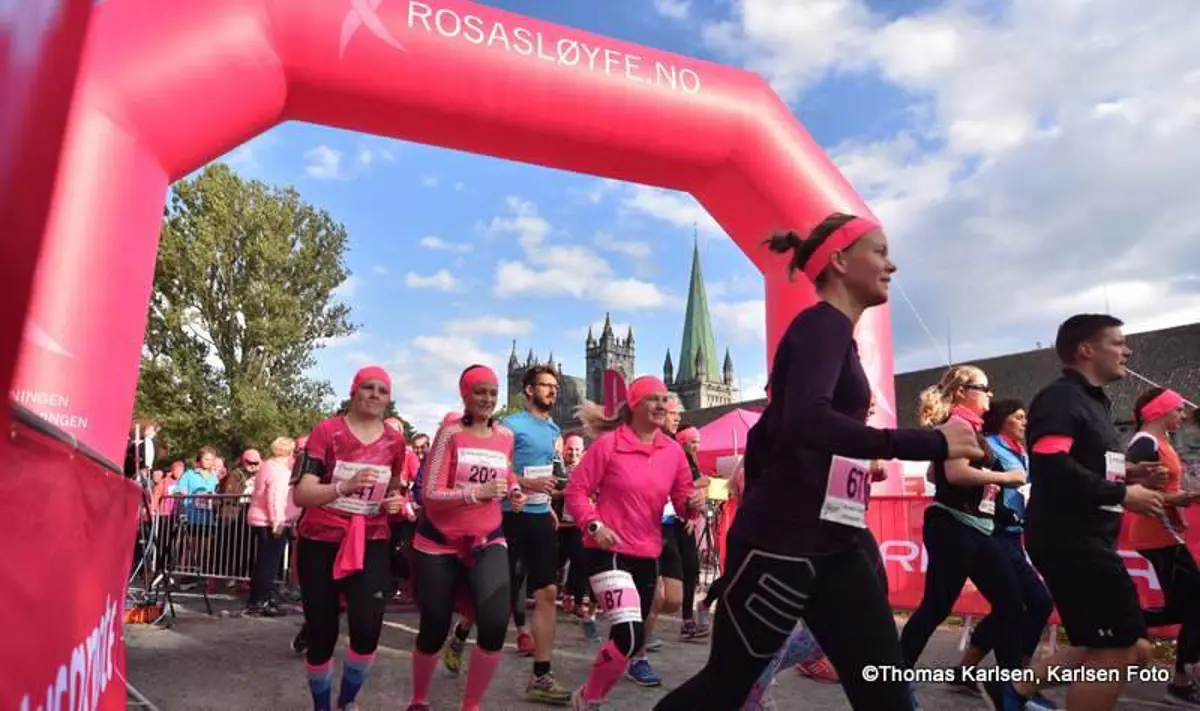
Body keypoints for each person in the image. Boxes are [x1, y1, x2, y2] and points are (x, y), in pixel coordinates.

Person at [656, 212, 982, 711]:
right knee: (725, 688)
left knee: (886, 692)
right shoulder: (820, 326)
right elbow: (807, 422)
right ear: (839, 259)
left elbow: (796, 433)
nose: (891, 265)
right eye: (878, 251)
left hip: (837, 540)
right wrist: (930, 441)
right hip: (783, 546)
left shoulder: (836, 336)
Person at [1018, 314, 1167, 711]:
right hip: (1069, 540)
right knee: (1115, 650)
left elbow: (1079, 463)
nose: (1127, 351)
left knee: (1128, 648)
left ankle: (1014, 693)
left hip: (1085, 538)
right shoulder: (1062, 398)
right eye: (1118, 343)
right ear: (1086, 350)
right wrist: (1123, 493)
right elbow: (1050, 467)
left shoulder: (1092, 401)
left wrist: (1131, 472)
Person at [564, 375, 705, 710]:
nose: (662, 405)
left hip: (647, 552)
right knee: (628, 633)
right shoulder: (609, 444)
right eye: (653, 399)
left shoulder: (672, 451)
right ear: (635, 405)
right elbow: (576, 491)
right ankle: (590, 700)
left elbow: (683, 498)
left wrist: (694, 504)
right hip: (607, 550)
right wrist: (594, 524)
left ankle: (587, 698)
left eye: (665, 399)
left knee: (632, 638)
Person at [899, 366, 1030, 706]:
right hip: (954, 526)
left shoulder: (966, 428)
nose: (991, 393)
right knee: (937, 607)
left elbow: (933, 472)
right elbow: (954, 474)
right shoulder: (958, 425)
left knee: (1011, 605)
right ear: (962, 392)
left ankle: (1010, 691)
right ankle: (891, 684)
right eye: (985, 388)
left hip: (973, 528)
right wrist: (1005, 478)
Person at [406, 365, 527, 711]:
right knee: (433, 626)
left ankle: (471, 705)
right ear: (465, 395)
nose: (487, 399)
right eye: (479, 392)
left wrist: (514, 490)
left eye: (492, 392)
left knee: (492, 624)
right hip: (439, 542)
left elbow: (505, 472)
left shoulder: (505, 436)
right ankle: (418, 699)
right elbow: (429, 493)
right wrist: (478, 493)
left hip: (487, 538)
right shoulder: (449, 434)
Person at [292, 366, 407, 711]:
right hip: (321, 537)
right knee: (322, 632)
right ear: (354, 391)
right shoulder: (327, 432)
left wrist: (396, 501)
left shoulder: (395, 441)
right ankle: (323, 706)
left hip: (371, 538)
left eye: (382, 390)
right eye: (367, 388)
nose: (374, 395)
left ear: (388, 399)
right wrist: (345, 486)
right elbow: (302, 494)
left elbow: (394, 486)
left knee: (368, 629)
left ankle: (347, 701)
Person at [953, 399, 1054, 700]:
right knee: (1037, 600)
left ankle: (966, 670)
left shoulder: (1023, 451)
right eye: (1019, 417)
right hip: (992, 534)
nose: (1025, 422)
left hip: (1013, 536)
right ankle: (1019, 681)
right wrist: (997, 506)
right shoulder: (991, 447)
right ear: (1002, 420)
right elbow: (969, 482)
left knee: (1011, 605)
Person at [503, 364, 573, 703]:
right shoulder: (510, 425)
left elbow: (550, 474)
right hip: (507, 516)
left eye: (554, 386)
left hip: (538, 517)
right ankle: (461, 631)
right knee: (499, 592)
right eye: (545, 385)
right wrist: (525, 483)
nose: (552, 391)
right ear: (528, 390)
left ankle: (541, 675)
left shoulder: (554, 429)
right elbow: (497, 468)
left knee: (547, 592)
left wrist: (546, 504)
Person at [1126, 388, 1200, 706]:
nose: (1183, 416)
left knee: (1185, 607)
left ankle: (1124, 622)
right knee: (1196, 603)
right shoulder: (1145, 442)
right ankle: (1183, 679)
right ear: (1161, 411)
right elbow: (1128, 487)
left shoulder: (1161, 442)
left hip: (1166, 531)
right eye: (1179, 410)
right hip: (1154, 534)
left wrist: (1183, 498)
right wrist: (1176, 500)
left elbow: (1163, 486)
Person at [246, 437, 297, 616]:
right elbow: (275, 498)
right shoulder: (280, 472)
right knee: (269, 563)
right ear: (290, 452)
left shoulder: (267, 466)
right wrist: (278, 522)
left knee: (262, 561)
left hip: (260, 518)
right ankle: (261, 600)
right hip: (271, 521)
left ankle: (258, 598)